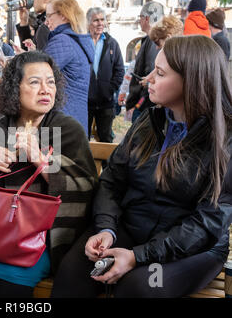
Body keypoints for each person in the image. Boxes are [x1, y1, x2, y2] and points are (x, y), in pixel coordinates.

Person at [51, 35, 232, 298]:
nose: (147, 78)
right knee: (73, 271)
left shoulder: (224, 139)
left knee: (141, 287)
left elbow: (206, 224)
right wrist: (106, 229)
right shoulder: (150, 121)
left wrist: (137, 257)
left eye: (159, 73)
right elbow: (112, 180)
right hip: (131, 230)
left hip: (192, 250)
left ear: (191, 81)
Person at [0, 51, 98, 298]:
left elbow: (86, 187)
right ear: (16, 88)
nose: (46, 90)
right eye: (35, 82)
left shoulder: (67, 129)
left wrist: (41, 160)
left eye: (51, 82)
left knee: (12, 283)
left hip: (37, 238)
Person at [44, 0, 94, 135]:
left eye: (49, 16)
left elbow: (38, 74)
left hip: (61, 121)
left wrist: (13, 64)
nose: (46, 21)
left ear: (63, 15)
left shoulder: (62, 40)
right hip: (75, 120)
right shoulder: (76, 41)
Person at [86, 7, 124, 142]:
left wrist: (110, 89)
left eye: (102, 20)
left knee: (106, 139)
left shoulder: (112, 43)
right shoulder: (82, 42)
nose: (100, 23)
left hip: (106, 102)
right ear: (88, 22)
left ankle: (106, 164)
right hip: (85, 102)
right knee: (82, 139)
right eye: (96, 20)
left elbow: (120, 70)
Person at [125, 1, 164, 123]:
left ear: (146, 18)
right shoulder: (150, 40)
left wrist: (137, 103)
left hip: (146, 104)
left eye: (140, 17)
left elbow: (151, 74)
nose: (139, 21)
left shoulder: (153, 41)